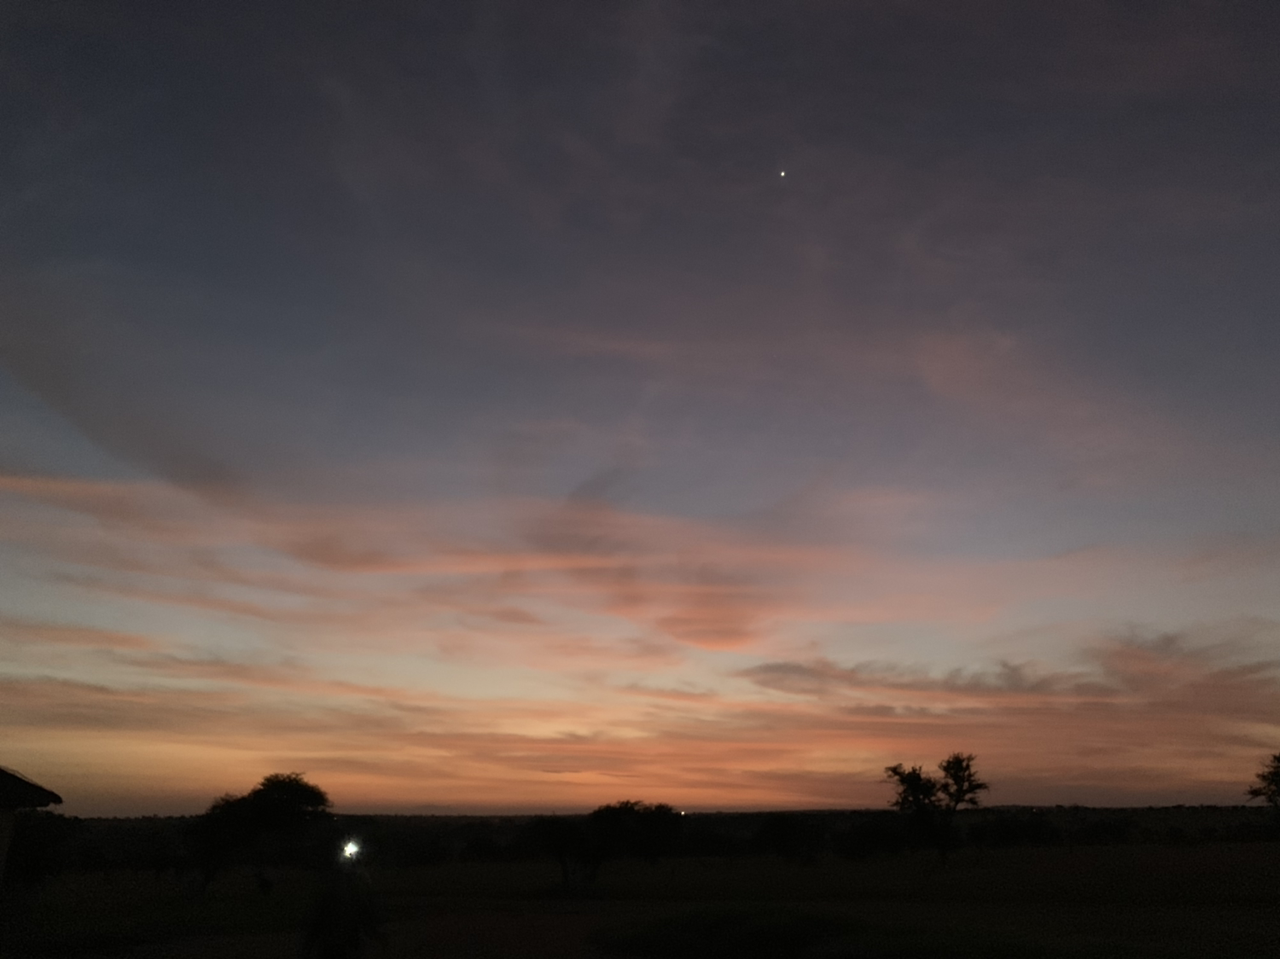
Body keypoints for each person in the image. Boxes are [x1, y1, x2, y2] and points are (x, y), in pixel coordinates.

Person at [299, 840, 384, 959]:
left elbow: (317, 918)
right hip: (337, 943)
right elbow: (318, 917)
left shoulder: (344, 885)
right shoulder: (339, 886)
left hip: (343, 942)